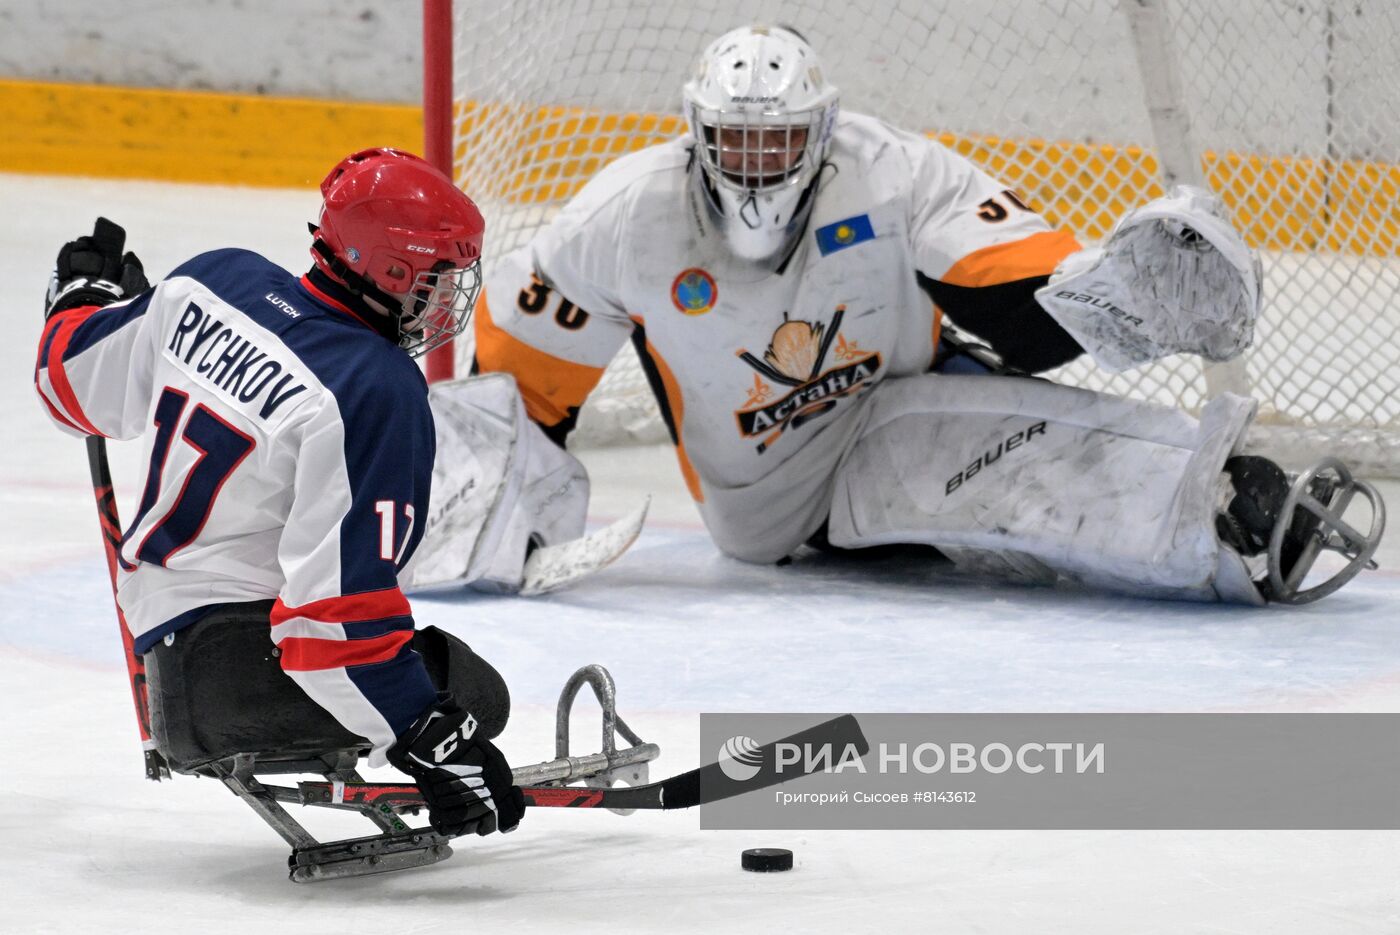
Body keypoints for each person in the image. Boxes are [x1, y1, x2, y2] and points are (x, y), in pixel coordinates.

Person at [470, 24, 1383, 604]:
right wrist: (494, 522)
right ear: (696, 133)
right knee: (1000, 444)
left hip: (900, 401)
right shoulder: (622, 219)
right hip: (770, 503)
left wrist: (1110, 288)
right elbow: (522, 388)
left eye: (778, 139)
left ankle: (1207, 516)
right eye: (736, 140)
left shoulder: (891, 171)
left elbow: (1015, 301)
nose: (756, 163)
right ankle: (1219, 520)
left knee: (990, 439)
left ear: (822, 131)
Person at [34, 148, 524, 837]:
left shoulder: (213, 280)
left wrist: (81, 302)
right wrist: (432, 738)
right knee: (474, 689)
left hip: (166, 668)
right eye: (438, 279)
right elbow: (333, 622)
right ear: (391, 269)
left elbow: (65, 382)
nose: (445, 302)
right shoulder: (372, 385)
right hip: (243, 679)